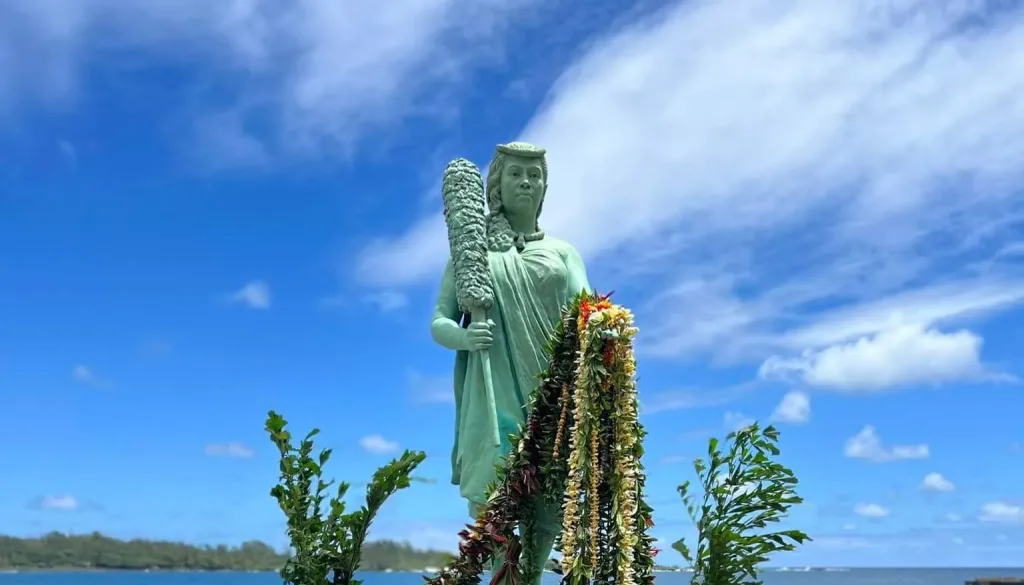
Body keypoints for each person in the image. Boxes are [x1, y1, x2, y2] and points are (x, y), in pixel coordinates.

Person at [430, 141, 590, 583]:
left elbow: (588, 311)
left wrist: (607, 330)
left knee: (548, 511)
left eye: (534, 175)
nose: (526, 182)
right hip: (492, 394)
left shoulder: (563, 253)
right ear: (496, 183)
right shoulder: (473, 256)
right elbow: (438, 321)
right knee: (496, 512)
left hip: (553, 397)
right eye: (516, 173)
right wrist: (464, 335)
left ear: (544, 187)